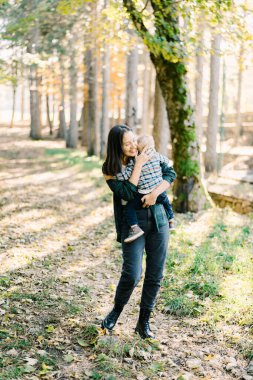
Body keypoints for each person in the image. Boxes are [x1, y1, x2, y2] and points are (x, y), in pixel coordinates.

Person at [101, 125, 176, 339]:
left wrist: (154, 194)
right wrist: (139, 165)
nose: (134, 145)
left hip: (159, 217)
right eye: (127, 143)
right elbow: (127, 192)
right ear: (117, 147)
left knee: (155, 273)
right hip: (133, 223)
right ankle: (116, 312)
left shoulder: (147, 153)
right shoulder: (110, 169)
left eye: (134, 140)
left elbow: (170, 172)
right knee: (132, 273)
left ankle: (144, 322)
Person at [116, 134, 175, 243]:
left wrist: (118, 175)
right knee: (166, 201)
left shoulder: (135, 161)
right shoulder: (157, 156)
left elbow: (126, 175)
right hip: (159, 190)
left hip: (143, 193)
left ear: (139, 148)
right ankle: (171, 220)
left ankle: (134, 227)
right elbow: (167, 162)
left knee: (129, 207)